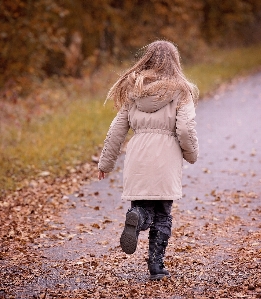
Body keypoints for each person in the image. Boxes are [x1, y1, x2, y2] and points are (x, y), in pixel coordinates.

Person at [97, 40, 199, 280]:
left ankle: (139, 217)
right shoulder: (181, 91)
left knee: (142, 204)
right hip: (166, 158)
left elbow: (117, 129)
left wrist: (105, 164)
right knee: (163, 214)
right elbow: (185, 129)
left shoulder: (134, 90)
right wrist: (191, 154)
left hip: (138, 156)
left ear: (147, 60)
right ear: (175, 62)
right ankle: (156, 266)